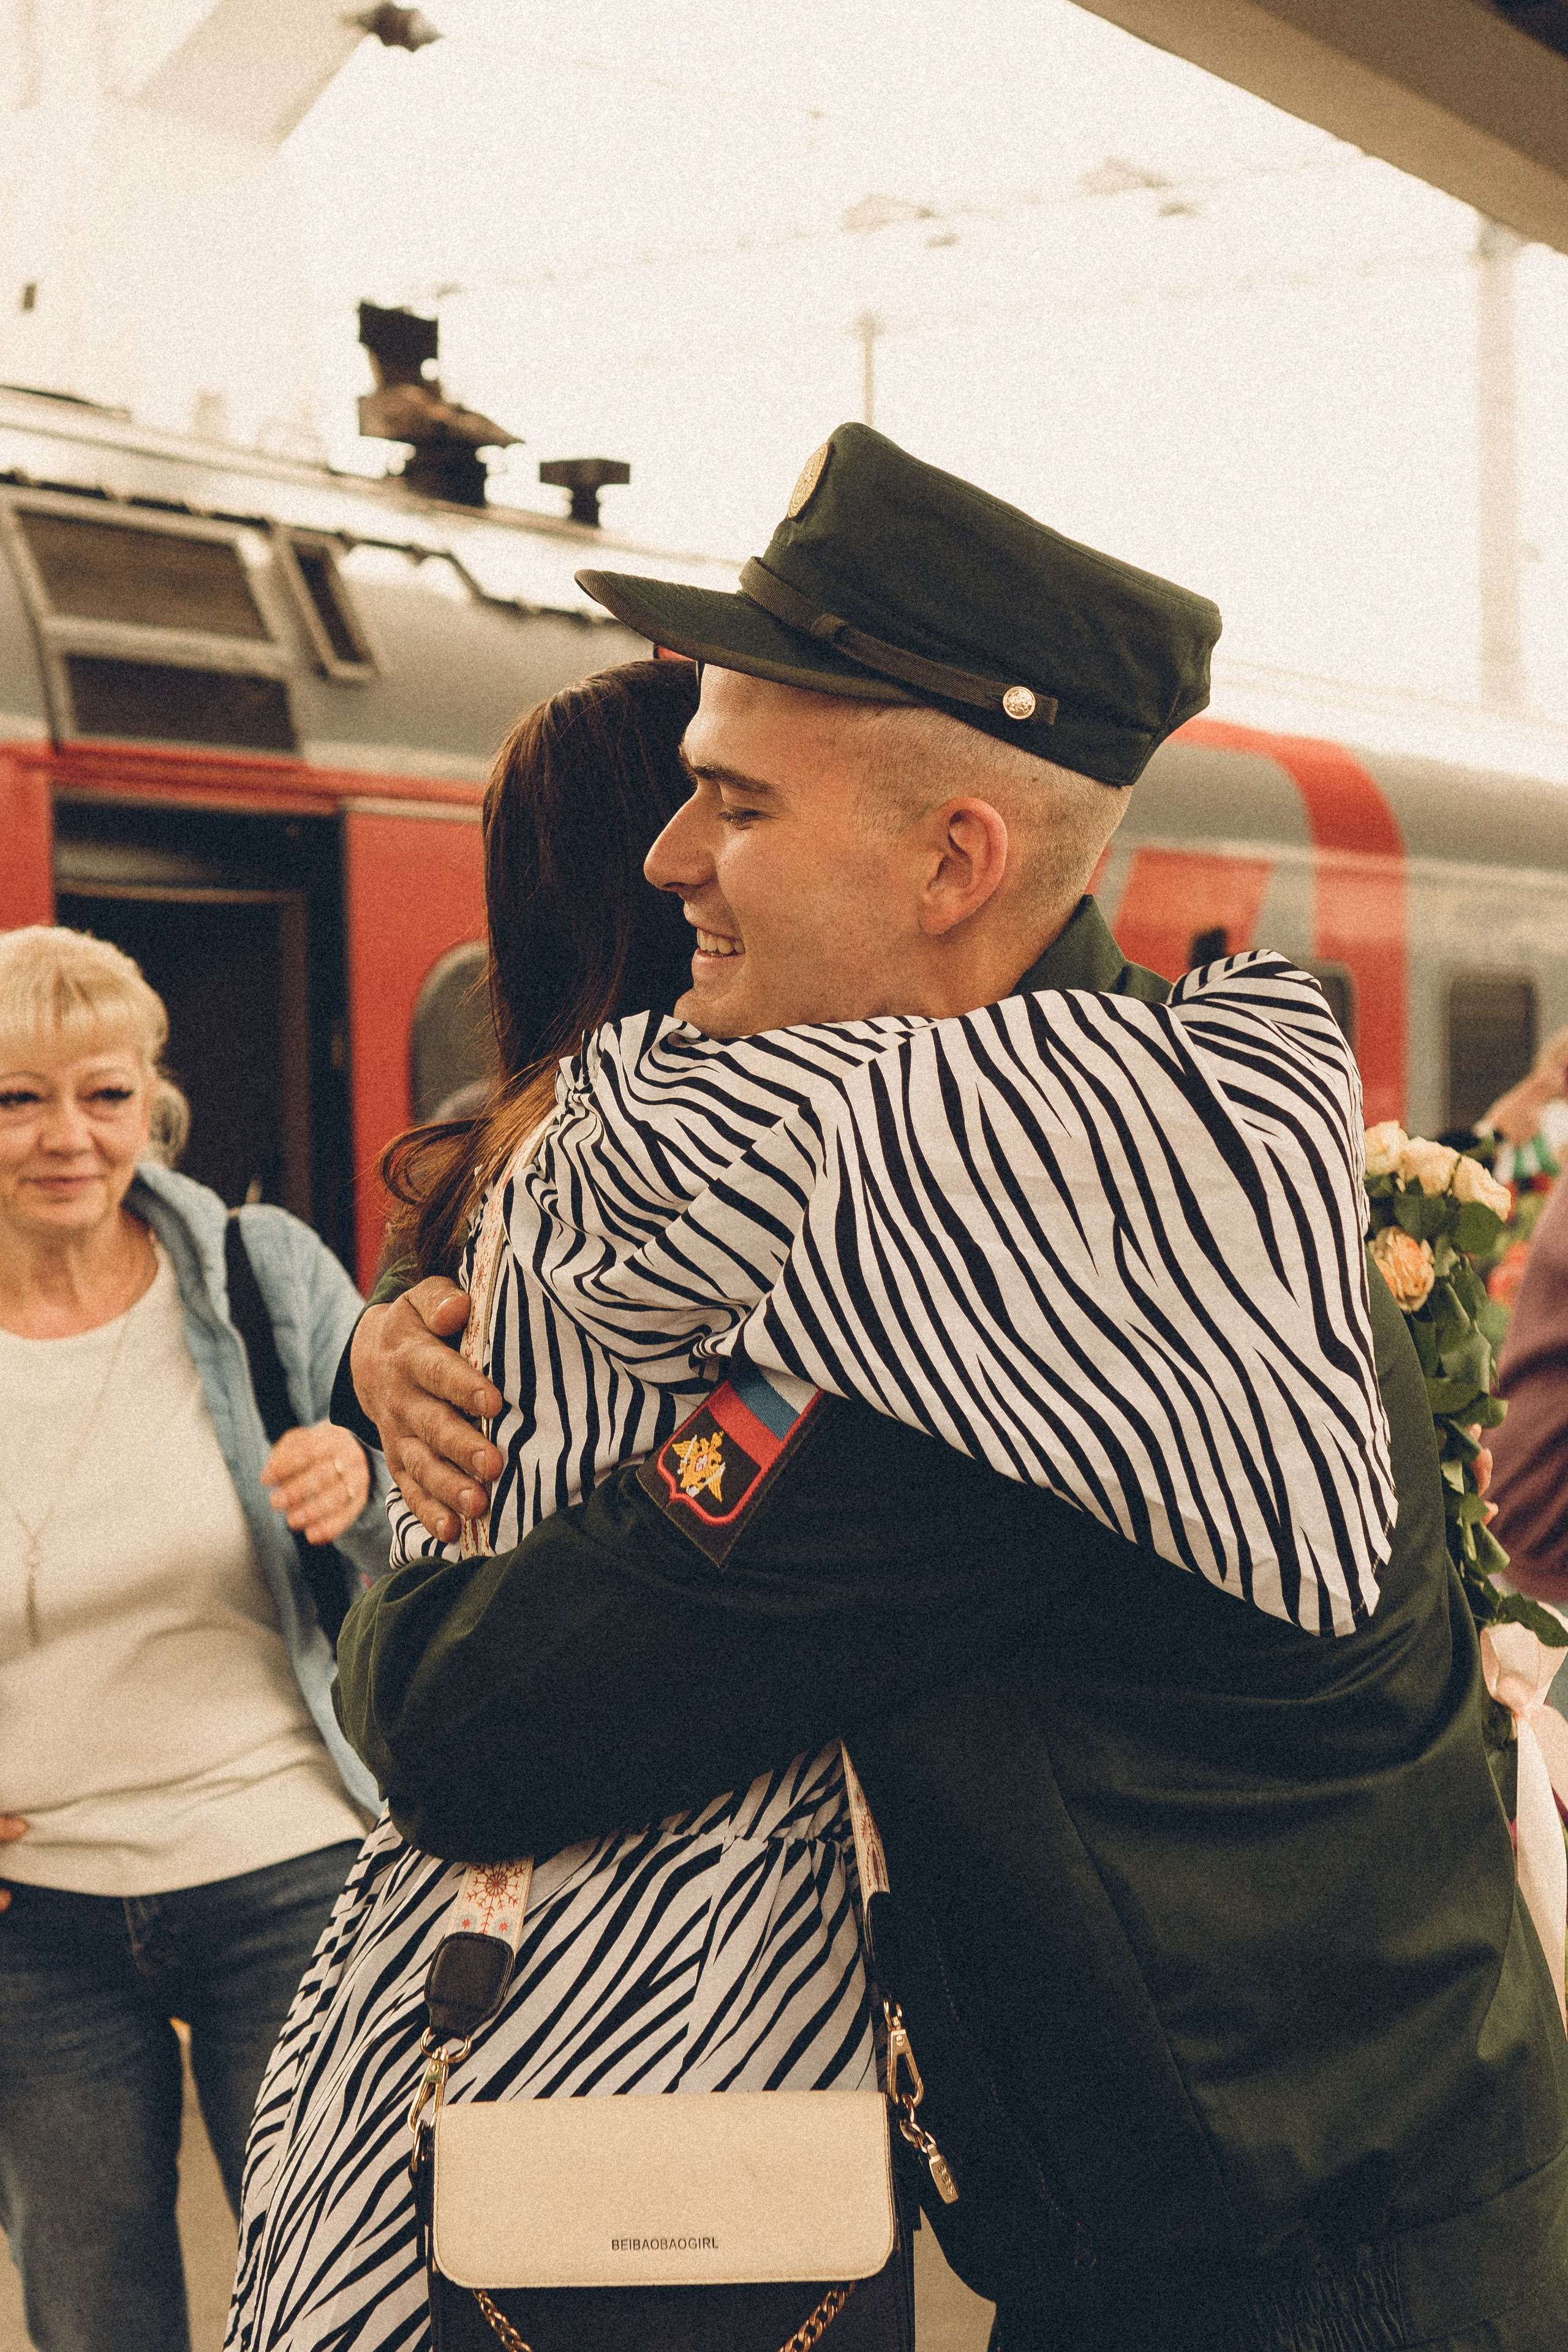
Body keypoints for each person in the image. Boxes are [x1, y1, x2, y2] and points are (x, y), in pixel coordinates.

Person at [341, 424, 1568, 2352]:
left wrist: (405, 1559)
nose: (669, 866)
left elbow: (474, 1726)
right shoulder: (1072, 1151)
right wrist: (402, 1334)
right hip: (1285, 2222)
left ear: (955, 858)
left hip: (1291, 2288)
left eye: (733, 807)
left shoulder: (1009, 1294)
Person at [227, 658, 912, 2352]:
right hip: (682, 1903)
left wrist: (386, 1333)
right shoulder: (700, 1139)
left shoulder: (527, 1154)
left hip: (463, 1897)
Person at [0, 924, 391, 2352]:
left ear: (150, 1102)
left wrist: (358, 1491)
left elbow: (436, 1503)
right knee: (95, 2313)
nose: (66, 1138)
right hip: (32, 1921)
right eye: (15, 1099)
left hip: (281, 1869)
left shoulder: (251, 1269)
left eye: (102, 1095)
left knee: (332, 2293)